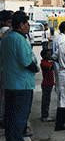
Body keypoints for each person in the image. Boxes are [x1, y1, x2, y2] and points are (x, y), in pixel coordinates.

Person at [0, 11, 38, 141]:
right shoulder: (19, 39)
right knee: (19, 117)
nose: (28, 26)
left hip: (10, 82)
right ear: (21, 25)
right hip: (22, 84)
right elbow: (26, 61)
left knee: (10, 116)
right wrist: (35, 67)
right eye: (27, 23)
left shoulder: (6, 38)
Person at [40, 49, 55, 122]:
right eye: (48, 55)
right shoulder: (44, 63)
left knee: (47, 100)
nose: (50, 56)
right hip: (46, 84)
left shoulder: (46, 62)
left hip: (49, 83)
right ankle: (44, 115)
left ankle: (45, 114)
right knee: (46, 100)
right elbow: (51, 67)